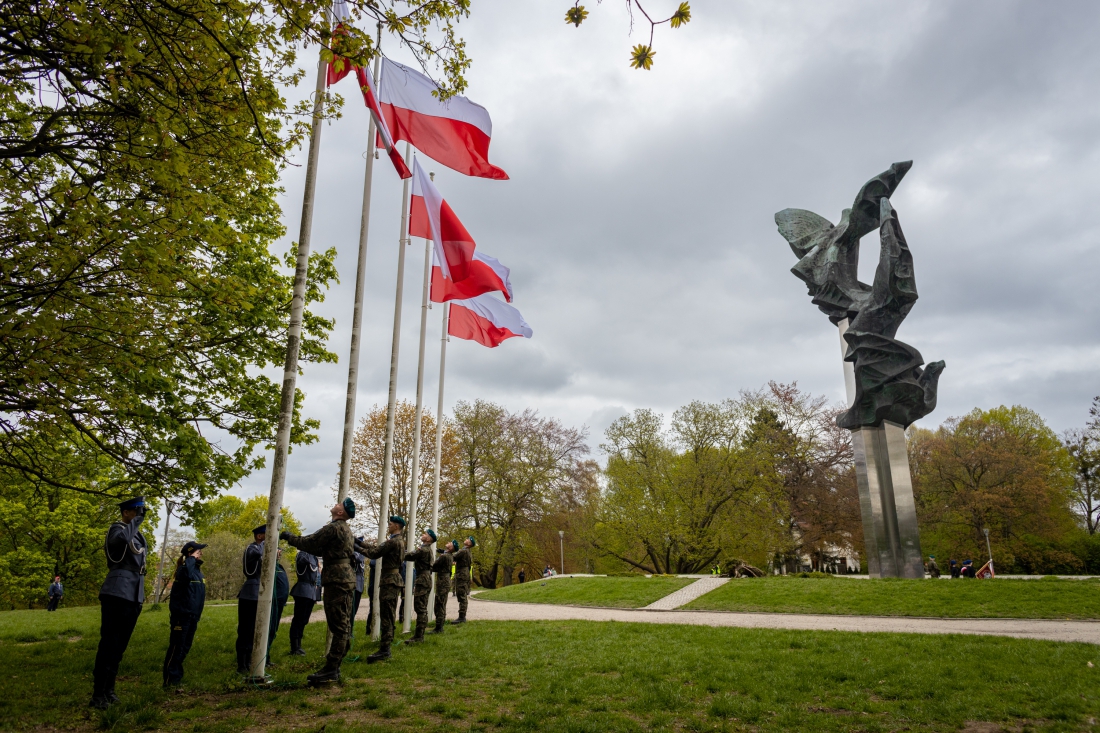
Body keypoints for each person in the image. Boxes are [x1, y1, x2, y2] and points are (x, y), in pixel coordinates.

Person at [280, 498, 357, 684]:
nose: (336, 504)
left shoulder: (333, 527)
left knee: (339, 626)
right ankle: (334, 666)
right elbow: (322, 549)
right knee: (343, 623)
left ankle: (331, 668)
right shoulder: (345, 529)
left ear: (340, 512)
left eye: (339, 504)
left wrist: (289, 537)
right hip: (344, 578)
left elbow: (310, 543)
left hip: (336, 579)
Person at [90, 496, 148, 710]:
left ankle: (109, 689)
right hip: (117, 591)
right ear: (126, 512)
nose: (141, 515)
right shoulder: (117, 529)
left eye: (142, 512)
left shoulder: (137, 534)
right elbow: (120, 541)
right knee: (109, 644)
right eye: (137, 511)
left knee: (120, 647)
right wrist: (137, 520)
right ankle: (98, 694)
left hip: (133, 594)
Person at [355, 515, 405, 663]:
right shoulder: (398, 541)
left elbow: (374, 553)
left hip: (389, 581)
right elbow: (377, 548)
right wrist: (358, 542)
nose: (388, 526)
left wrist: (355, 547)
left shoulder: (393, 541)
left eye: (390, 524)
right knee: (388, 613)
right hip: (392, 580)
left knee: (386, 615)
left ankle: (385, 649)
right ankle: (386, 644)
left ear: (396, 526)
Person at [163, 541, 207, 688]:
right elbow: (187, 574)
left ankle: (176, 677)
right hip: (182, 616)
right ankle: (170, 680)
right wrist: (191, 559)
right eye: (198, 551)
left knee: (185, 647)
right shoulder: (184, 570)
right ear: (190, 554)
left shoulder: (197, 572)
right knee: (177, 647)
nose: (201, 553)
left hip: (193, 616)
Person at [235, 525, 266, 674]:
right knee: (246, 629)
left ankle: (249, 660)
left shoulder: (260, 549)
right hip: (250, 592)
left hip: (259, 590)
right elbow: (257, 555)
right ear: (259, 536)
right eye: (266, 534)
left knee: (254, 629)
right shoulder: (252, 549)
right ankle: (242, 663)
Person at [404, 529, 436, 643]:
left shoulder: (423, 549)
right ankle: (419, 635)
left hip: (422, 579)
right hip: (425, 578)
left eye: (425, 534)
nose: (423, 535)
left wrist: (397, 552)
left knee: (420, 607)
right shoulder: (427, 549)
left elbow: (409, 556)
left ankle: (419, 637)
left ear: (428, 539)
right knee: (422, 607)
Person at [288, 549, 321, 656]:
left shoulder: (313, 557)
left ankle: (299, 644)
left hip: (311, 590)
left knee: (304, 620)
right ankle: (294, 647)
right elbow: (301, 561)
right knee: (298, 619)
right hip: (303, 590)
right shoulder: (302, 554)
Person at [264, 550, 290, 663]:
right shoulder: (268, 566)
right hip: (272, 603)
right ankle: (263, 657)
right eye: (277, 551)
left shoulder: (279, 566)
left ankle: (266, 655)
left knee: (273, 630)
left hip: (279, 603)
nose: (279, 553)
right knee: (268, 630)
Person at [431, 540, 456, 632]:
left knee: (439, 603)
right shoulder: (449, 555)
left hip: (442, 580)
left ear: (451, 548)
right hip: (445, 580)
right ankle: (440, 625)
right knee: (442, 602)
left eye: (450, 543)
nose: (448, 542)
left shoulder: (444, 556)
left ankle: (439, 627)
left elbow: (434, 565)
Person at [452, 536, 475, 625]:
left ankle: (462, 617)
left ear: (469, 544)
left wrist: (445, 553)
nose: (466, 539)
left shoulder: (463, 550)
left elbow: (453, 556)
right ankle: (462, 616)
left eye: (467, 539)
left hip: (461, 574)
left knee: (461, 595)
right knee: (462, 595)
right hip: (464, 573)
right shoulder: (467, 551)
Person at [348, 540, 366, 652]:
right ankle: (348, 631)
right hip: (354, 583)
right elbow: (357, 559)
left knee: (354, 609)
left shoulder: (360, 554)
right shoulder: (355, 553)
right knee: (350, 609)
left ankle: (350, 629)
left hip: (359, 584)